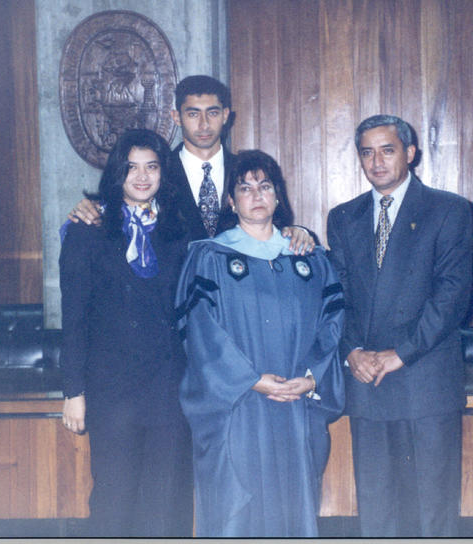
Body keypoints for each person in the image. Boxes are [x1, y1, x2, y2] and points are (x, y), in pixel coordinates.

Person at [175, 149, 345, 537]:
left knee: (294, 506)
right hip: (238, 404)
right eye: (245, 187)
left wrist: (312, 377)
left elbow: (332, 324)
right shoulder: (210, 257)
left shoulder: (311, 259)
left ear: (277, 196)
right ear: (231, 201)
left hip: (296, 403)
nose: (256, 195)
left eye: (265, 186)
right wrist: (250, 379)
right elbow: (201, 330)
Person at [326, 114, 473, 537]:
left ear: (409, 153)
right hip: (367, 380)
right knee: (377, 512)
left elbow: (451, 298)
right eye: (367, 152)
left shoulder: (449, 210)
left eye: (387, 150)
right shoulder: (344, 217)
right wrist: (351, 351)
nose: (376, 162)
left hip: (423, 379)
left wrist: (400, 354)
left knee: (433, 513)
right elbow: (338, 295)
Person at [59, 129, 193, 537]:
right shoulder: (88, 228)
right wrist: (73, 392)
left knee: (166, 501)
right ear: (117, 172)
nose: (141, 176)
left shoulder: (180, 232)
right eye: (131, 166)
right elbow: (74, 315)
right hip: (111, 390)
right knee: (114, 501)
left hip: (168, 390)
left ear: (162, 174)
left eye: (151, 166)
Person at [69, 75, 315, 252]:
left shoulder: (247, 172)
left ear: (226, 115)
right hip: (175, 306)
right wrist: (90, 207)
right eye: (193, 113)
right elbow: (118, 208)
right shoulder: (156, 172)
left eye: (213, 112)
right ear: (176, 117)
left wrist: (299, 232)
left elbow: (277, 224)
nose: (204, 124)